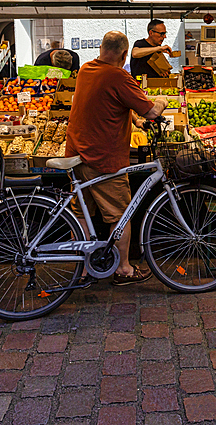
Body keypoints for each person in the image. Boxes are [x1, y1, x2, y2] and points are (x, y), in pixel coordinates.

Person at [66, 31, 167, 285]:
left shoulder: (86, 69)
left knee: (81, 214)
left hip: (77, 153)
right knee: (120, 215)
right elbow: (152, 110)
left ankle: (85, 269)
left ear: (101, 48)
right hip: (104, 159)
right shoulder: (119, 76)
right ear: (124, 55)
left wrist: (134, 120)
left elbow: (107, 101)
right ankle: (123, 269)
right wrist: (163, 101)